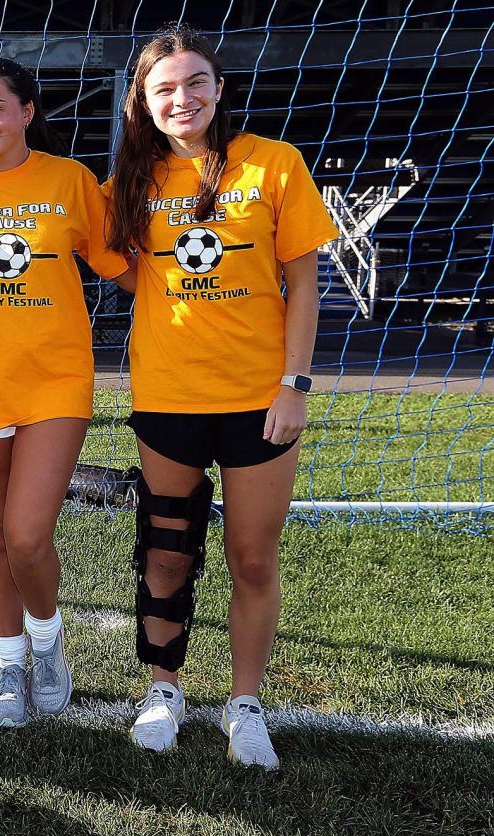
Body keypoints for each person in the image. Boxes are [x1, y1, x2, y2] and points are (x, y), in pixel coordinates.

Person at [107, 24, 338, 768]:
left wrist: (294, 385)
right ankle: (163, 691)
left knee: (251, 557)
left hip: (260, 398)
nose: (183, 97)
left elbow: (302, 283)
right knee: (166, 550)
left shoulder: (272, 165)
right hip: (170, 396)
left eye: (195, 81)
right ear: (142, 100)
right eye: (164, 87)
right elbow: (116, 265)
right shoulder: (131, 180)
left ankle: (245, 705)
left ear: (220, 87)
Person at [0, 58, 130, 727]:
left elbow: (122, 266)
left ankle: (47, 642)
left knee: (26, 532)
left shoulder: (70, 182)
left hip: (55, 380)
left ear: (26, 112)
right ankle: (9, 660)